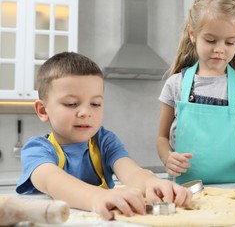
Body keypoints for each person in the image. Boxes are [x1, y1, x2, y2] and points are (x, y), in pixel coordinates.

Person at [16, 52, 192, 220]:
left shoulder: (105, 141)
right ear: (42, 110)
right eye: (71, 104)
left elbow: (131, 172)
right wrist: (97, 197)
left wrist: (151, 183)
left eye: (95, 103)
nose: (85, 112)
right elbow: (51, 180)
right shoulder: (37, 150)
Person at [156, 0, 235, 185]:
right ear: (192, 34)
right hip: (186, 191)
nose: (219, 49)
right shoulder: (176, 84)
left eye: (230, 42)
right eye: (210, 40)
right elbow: (161, 138)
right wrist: (167, 158)